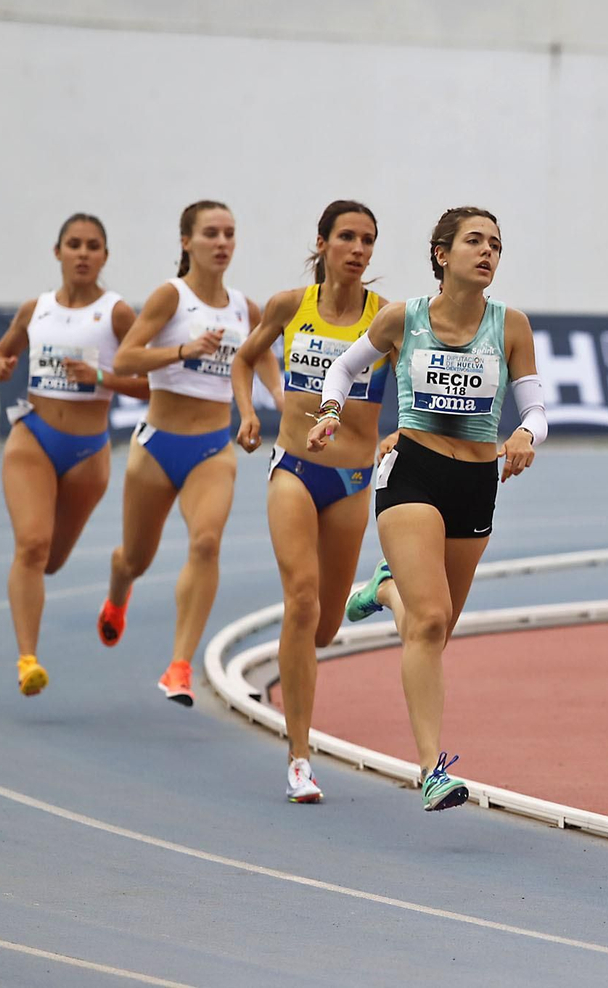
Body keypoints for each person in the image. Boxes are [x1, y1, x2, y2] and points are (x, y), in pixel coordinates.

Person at [310, 206, 546, 812]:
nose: (488, 252)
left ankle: (385, 590)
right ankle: (430, 769)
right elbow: (343, 368)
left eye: (496, 244)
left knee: (433, 631)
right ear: (442, 254)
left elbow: (536, 409)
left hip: (476, 482)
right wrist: (331, 413)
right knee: (432, 618)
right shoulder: (403, 318)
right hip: (412, 471)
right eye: (474, 241)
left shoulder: (511, 325)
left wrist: (526, 433)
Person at [233, 199, 399, 802]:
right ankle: (300, 757)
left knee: (324, 629)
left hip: (352, 480)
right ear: (323, 243)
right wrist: (252, 411)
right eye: (347, 237)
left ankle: (361, 595)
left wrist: (400, 432)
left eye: (368, 240)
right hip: (294, 469)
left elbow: (417, 385)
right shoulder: (289, 306)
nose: (359, 249)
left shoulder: (387, 317)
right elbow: (245, 358)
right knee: (300, 600)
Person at [99, 200, 279, 706]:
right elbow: (127, 358)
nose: (222, 243)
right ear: (187, 242)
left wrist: (277, 399)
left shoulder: (244, 308)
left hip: (212, 448)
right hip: (157, 446)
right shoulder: (170, 296)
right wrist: (184, 350)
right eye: (210, 233)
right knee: (136, 557)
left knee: (205, 543)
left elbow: (262, 355)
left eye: (229, 234)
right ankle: (118, 590)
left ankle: (179, 666)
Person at [0, 214, 149, 695]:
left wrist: (99, 377)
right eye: (74, 244)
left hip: (87, 453)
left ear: (104, 256)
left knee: (52, 561)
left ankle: (115, 587)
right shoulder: (34, 309)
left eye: (92, 246)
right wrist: (0, 365)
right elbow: (2, 353)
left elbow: (152, 384)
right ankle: (28, 661)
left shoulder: (116, 313)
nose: (83, 253)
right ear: (57, 252)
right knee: (31, 547)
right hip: (33, 437)